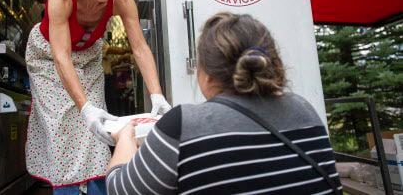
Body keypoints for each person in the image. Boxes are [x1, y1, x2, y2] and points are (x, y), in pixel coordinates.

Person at [106, 13, 342, 194]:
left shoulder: (183, 126)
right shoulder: (305, 111)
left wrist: (124, 138)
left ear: (206, 73)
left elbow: (118, 189)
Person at [25, 0, 171, 194]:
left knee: (96, 131)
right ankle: (67, 191)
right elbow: (61, 56)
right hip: (49, 57)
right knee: (65, 126)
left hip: (88, 56)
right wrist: (84, 108)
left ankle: (99, 189)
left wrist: (157, 95)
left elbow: (139, 47)